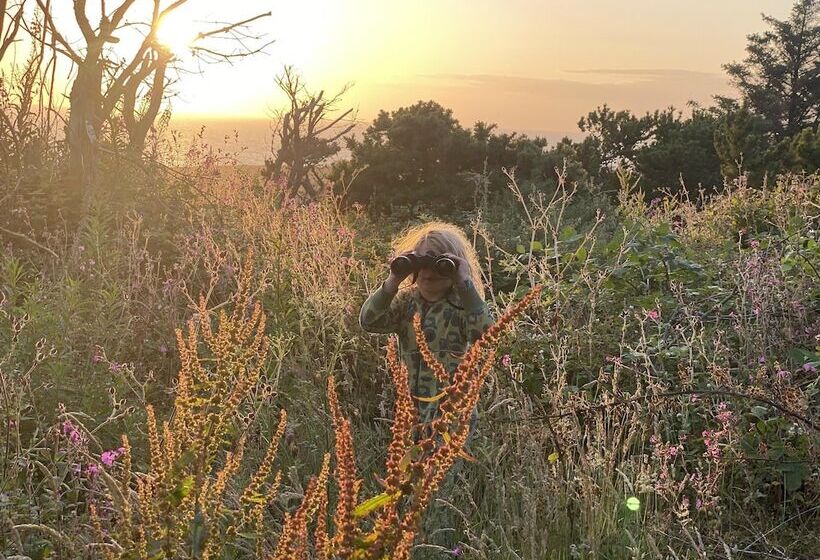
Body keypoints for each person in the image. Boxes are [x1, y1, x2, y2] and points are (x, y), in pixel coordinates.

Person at [359, 221, 495, 426]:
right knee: (411, 458)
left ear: (456, 268)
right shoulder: (405, 303)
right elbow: (369, 321)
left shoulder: (461, 306)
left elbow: (486, 335)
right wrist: (393, 280)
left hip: (452, 412)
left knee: (444, 458)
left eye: (440, 264)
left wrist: (465, 284)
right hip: (410, 412)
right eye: (421, 264)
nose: (429, 272)